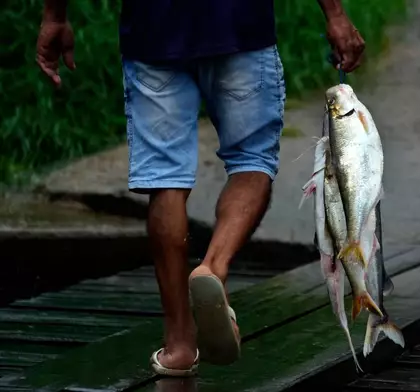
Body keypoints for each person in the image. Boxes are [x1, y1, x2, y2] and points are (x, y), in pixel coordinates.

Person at [36, 0, 365, 377]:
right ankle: (213, 267)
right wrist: (335, 14)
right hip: (239, 26)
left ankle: (178, 343)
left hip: (153, 33)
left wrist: (55, 17)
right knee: (251, 162)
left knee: (166, 181)